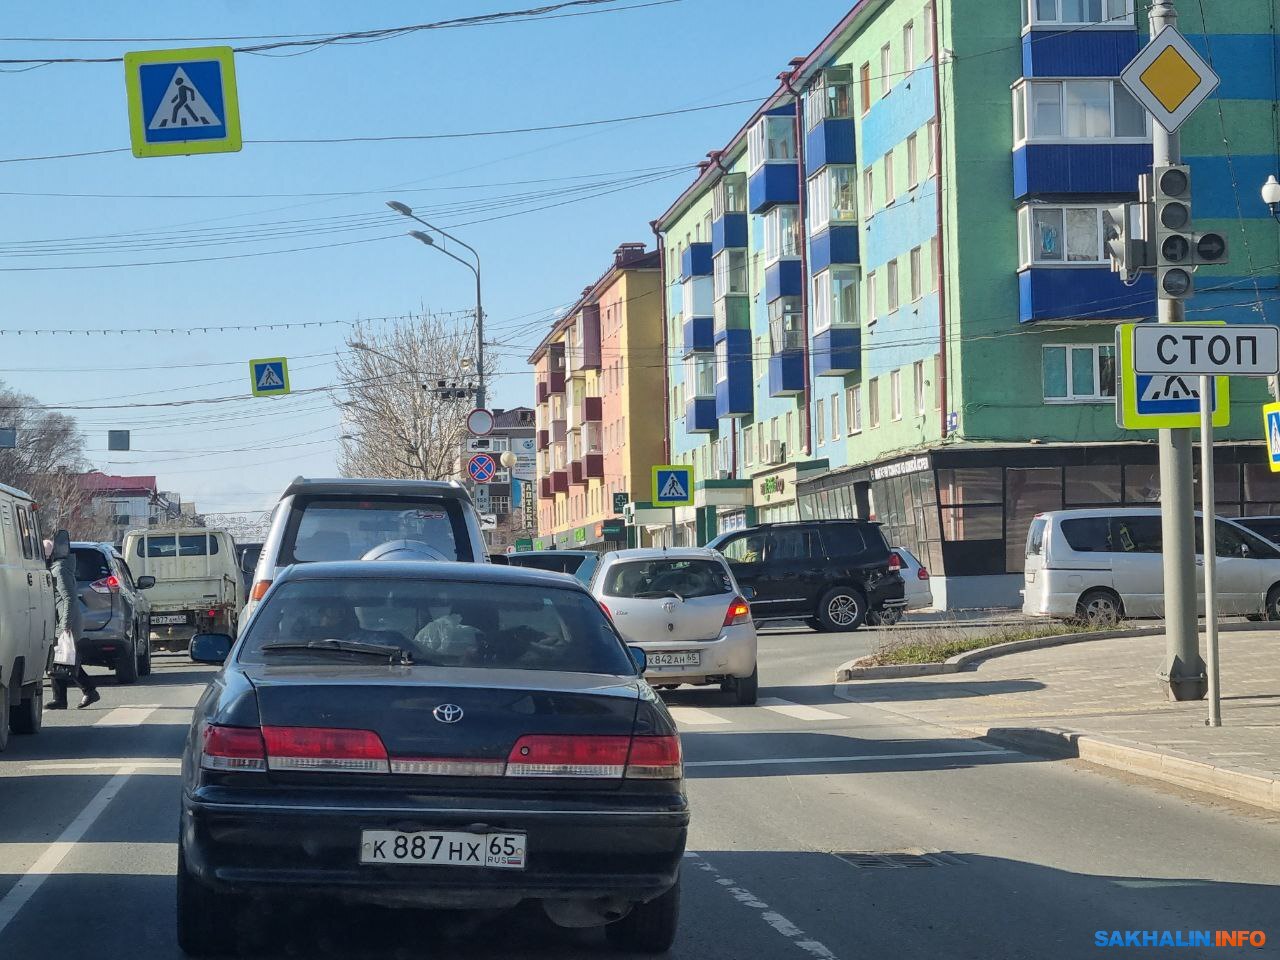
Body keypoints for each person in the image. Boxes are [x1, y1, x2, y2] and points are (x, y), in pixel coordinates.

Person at [44, 539, 99, 710]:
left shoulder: (59, 570)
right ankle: (66, 697)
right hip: (63, 620)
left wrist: (65, 626)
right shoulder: (57, 568)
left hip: (66, 622)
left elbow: (68, 599)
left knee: (62, 660)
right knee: (62, 660)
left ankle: (87, 691)